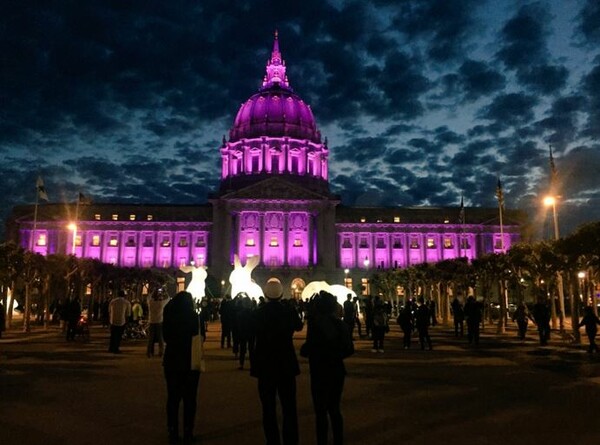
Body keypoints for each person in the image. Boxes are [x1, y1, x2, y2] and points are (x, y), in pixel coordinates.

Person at [250, 279, 303, 445]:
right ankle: (291, 440)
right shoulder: (288, 311)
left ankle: (272, 441)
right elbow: (299, 326)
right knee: (289, 407)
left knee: (268, 408)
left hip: (265, 364)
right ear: (281, 294)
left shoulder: (259, 312)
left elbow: (249, 330)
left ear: (265, 294)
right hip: (285, 363)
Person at [301, 291, 354, 445]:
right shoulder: (341, 324)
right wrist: (336, 355)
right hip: (337, 370)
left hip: (319, 371)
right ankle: (338, 441)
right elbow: (349, 349)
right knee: (335, 409)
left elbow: (306, 350)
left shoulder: (315, 325)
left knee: (320, 412)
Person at [163, 291, 204, 444]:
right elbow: (201, 337)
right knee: (190, 399)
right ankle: (188, 431)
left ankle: (172, 431)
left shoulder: (169, 315)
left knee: (173, 398)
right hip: (190, 361)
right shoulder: (194, 316)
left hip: (172, 360)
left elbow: (165, 337)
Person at [147, 289, 167, 358]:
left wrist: (153, 291)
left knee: (150, 339)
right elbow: (168, 298)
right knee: (160, 338)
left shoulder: (150, 302)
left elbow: (148, 297)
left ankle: (149, 353)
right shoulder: (161, 303)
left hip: (151, 321)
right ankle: (161, 353)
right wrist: (165, 291)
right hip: (159, 322)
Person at [236, 294, 254, 370]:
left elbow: (238, 325)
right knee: (251, 349)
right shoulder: (254, 313)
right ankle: (252, 364)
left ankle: (241, 364)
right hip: (251, 333)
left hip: (243, 333)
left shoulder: (240, 314)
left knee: (242, 349)